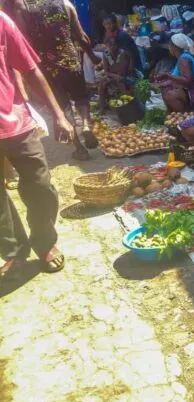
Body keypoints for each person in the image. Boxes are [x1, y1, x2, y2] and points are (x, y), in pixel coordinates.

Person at [0, 11, 75, 277]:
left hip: (15, 122)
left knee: (41, 186)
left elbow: (30, 69)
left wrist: (58, 115)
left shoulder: (2, 22)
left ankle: (44, 242)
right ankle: (14, 251)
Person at [6, 0, 99, 160]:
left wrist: (26, 73)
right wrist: (93, 56)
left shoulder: (23, 6)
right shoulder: (65, 3)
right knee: (81, 97)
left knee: (61, 107)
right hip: (71, 60)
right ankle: (85, 125)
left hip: (47, 67)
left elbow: (23, 41)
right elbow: (82, 37)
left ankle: (79, 148)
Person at [155, 33, 194, 112]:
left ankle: (184, 116)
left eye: (169, 45)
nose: (169, 48)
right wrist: (160, 84)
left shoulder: (184, 59)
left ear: (174, 47)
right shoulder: (183, 57)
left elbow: (188, 81)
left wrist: (167, 76)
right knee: (166, 89)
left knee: (170, 95)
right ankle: (173, 115)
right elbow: (177, 79)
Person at [97, 36, 136, 112]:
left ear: (117, 44)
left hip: (126, 76)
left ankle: (125, 107)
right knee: (102, 82)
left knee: (121, 82)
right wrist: (113, 76)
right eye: (109, 44)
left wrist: (116, 76)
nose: (112, 46)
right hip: (113, 76)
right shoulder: (106, 54)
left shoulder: (123, 54)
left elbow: (124, 70)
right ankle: (102, 106)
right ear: (106, 45)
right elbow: (106, 71)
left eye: (114, 44)